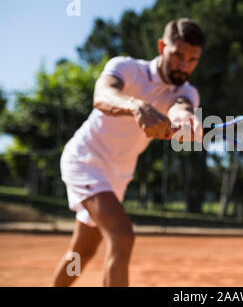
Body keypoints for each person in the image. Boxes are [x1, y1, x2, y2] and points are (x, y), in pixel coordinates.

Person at [52, 18, 206, 287]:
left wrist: (182, 117)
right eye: (178, 55)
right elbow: (102, 95)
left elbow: (181, 105)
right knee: (122, 236)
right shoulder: (126, 67)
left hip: (118, 174)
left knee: (82, 253)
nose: (184, 66)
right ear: (161, 47)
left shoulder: (188, 91)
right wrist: (136, 106)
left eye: (192, 60)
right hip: (86, 159)